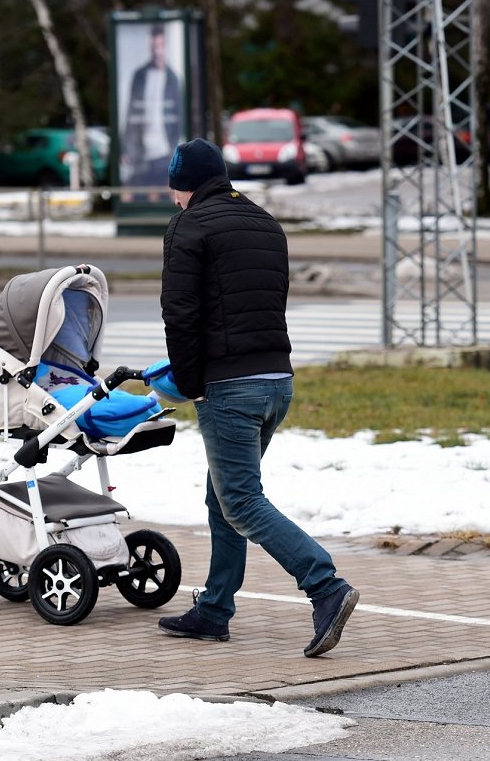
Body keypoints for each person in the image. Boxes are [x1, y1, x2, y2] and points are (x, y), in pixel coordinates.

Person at [156, 138, 360, 658]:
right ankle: (214, 610)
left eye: (174, 189)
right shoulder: (264, 221)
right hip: (276, 380)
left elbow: (179, 313)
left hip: (228, 386)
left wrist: (189, 380)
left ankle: (325, 586)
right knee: (223, 495)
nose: (173, 199)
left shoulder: (190, 225)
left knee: (242, 501)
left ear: (185, 186)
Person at [122, 23, 182, 187]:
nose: (158, 51)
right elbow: (130, 114)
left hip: (165, 153)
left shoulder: (172, 79)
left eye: (161, 46)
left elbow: (179, 117)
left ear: (166, 47)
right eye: (154, 46)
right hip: (141, 153)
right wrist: (125, 149)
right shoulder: (140, 76)